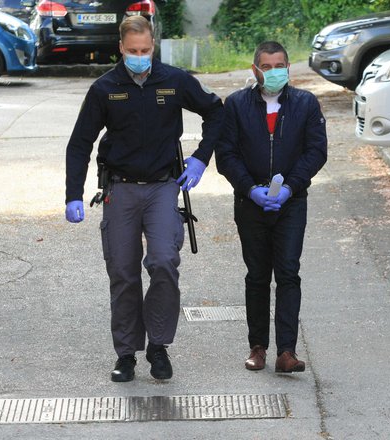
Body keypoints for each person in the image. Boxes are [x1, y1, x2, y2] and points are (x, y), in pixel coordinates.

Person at [64, 16, 223, 382]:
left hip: (163, 187)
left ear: (155, 46)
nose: (139, 57)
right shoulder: (105, 88)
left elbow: (217, 112)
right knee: (122, 271)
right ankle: (126, 353)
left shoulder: (174, 80)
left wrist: (201, 158)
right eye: (133, 51)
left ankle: (159, 346)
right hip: (120, 189)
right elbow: (80, 143)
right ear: (121, 48)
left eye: (145, 50)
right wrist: (73, 194)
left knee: (164, 261)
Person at [216, 41, 327, 373]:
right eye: (267, 66)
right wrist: (250, 189)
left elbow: (316, 151)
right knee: (257, 275)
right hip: (250, 203)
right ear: (255, 70)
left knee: (289, 273)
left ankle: (287, 351)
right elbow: (226, 154)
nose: (274, 72)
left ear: (289, 68)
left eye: (280, 65)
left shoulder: (305, 103)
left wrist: (291, 186)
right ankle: (258, 347)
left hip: (291, 203)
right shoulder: (236, 104)